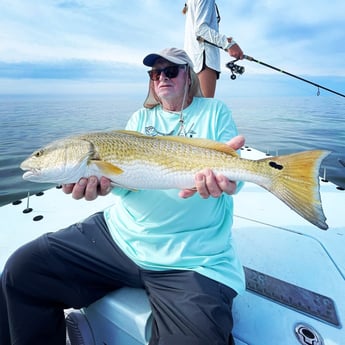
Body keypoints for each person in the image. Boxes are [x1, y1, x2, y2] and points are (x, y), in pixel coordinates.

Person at [0, 47, 245, 345]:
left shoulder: (214, 112)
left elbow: (232, 170)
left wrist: (230, 178)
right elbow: (130, 183)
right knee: (22, 272)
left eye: (170, 71)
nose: (161, 78)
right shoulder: (140, 119)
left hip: (192, 256)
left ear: (189, 76)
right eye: (155, 73)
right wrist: (106, 185)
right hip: (122, 237)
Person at [183, 0, 244, 97]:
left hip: (191, 63)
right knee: (206, 108)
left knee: (195, 110)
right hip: (204, 60)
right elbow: (201, 30)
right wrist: (229, 44)